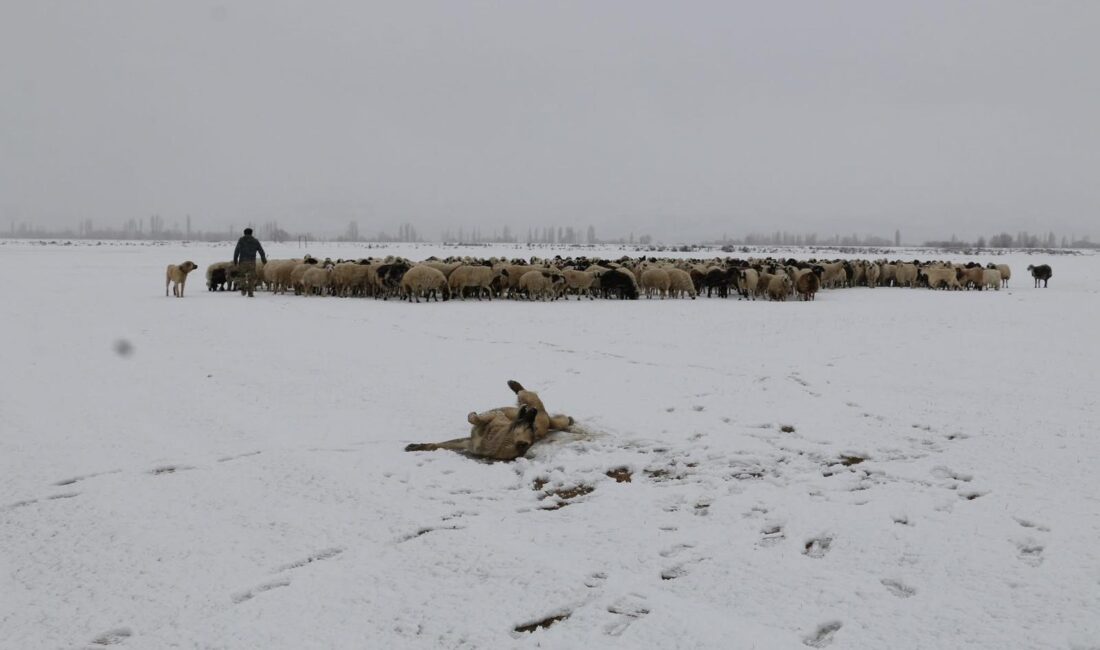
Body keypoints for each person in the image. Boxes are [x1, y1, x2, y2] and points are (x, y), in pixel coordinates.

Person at [232, 228, 267, 297]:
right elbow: (261, 251)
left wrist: (235, 260)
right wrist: (264, 261)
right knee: (251, 277)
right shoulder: (255, 241)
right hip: (252, 262)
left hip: (242, 262)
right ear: (251, 233)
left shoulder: (241, 240)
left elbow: (236, 251)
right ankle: (250, 293)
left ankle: (244, 287)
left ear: (244, 233)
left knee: (241, 276)